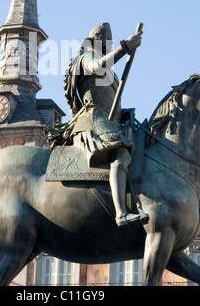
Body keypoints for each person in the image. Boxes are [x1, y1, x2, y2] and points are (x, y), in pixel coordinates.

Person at [47, 22, 143, 227]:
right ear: (93, 42)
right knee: (121, 155)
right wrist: (126, 48)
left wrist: (125, 114)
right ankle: (120, 213)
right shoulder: (85, 58)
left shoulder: (111, 73)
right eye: (105, 42)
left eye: (110, 43)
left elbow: (112, 102)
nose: (108, 46)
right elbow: (98, 66)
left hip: (111, 120)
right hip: (93, 119)